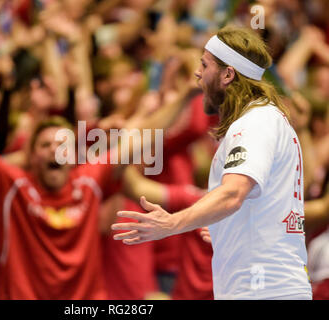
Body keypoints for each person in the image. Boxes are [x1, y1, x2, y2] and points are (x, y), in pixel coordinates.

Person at [0, 68, 192, 299]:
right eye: (45, 145)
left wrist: (188, 94)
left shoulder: (89, 182)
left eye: (62, 145)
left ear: (74, 156)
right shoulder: (11, 185)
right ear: (31, 157)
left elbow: (145, 135)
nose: (54, 150)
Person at [112, 25, 313, 300]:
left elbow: (233, 193)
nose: (197, 73)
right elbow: (253, 201)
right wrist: (225, 227)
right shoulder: (264, 119)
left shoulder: (254, 123)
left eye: (204, 65)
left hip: (263, 292)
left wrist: (171, 224)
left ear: (228, 74)